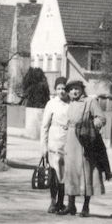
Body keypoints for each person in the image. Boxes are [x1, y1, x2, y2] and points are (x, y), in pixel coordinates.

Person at [60, 80, 107, 217]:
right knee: (70, 172)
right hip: (71, 140)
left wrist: (92, 125)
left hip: (85, 141)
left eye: (77, 88)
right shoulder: (71, 104)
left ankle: (86, 207)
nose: (74, 91)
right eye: (71, 89)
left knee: (87, 172)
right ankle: (71, 205)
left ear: (82, 89)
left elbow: (102, 118)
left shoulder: (90, 102)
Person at [40, 76, 70, 214]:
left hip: (67, 143)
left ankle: (60, 202)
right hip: (54, 142)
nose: (61, 91)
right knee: (54, 174)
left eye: (64, 88)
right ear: (55, 90)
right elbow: (44, 127)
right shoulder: (51, 104)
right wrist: (44, 147)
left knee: (63, 175)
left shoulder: (71, 103)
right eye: (59, 88)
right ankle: (52, 202)